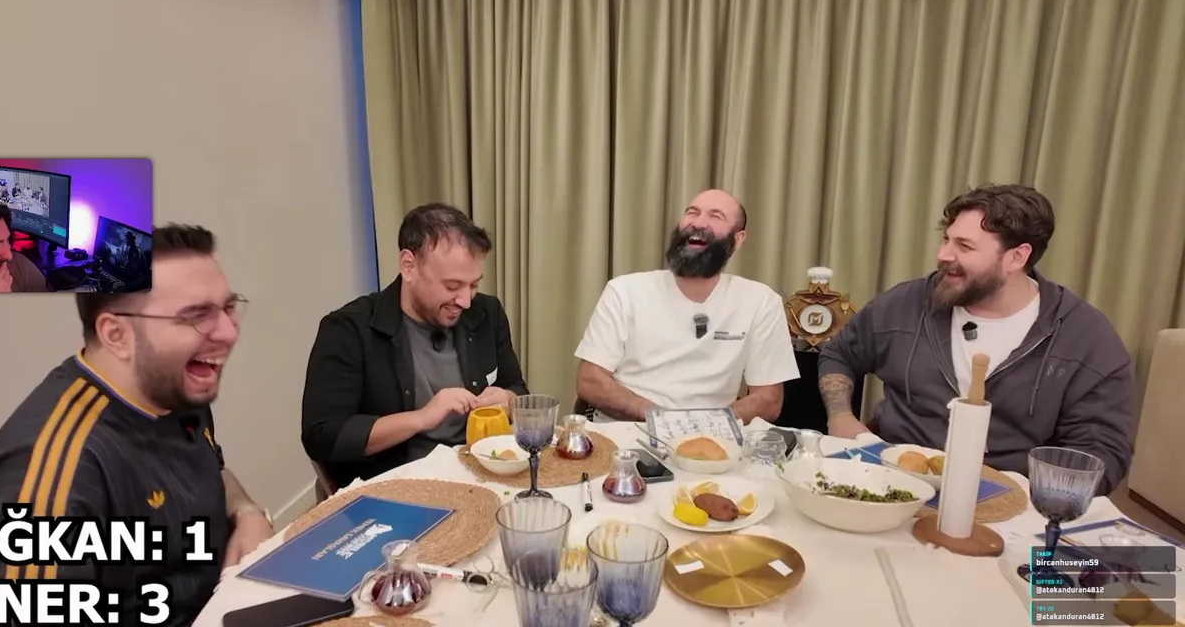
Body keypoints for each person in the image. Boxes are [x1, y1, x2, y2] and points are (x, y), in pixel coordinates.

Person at [0, 225, 272, 627]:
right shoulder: (54, 471)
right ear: (117, 334)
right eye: (196, 316)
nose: (228, 332)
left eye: (228, 307)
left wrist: (245, 511)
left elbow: (209, 465)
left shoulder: (171, 385)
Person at [818, 184, 1135, 495]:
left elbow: (1102, 451)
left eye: (964, 246)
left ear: (1017, 257)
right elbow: (840, 354)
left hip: (1013, 502)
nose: (943, 255)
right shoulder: (905, 304)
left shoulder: (1085, 337)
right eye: (946, 240)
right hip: (891, 485)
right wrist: (841, 416)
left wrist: (1030, 495)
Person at [302, 203, 529, 488]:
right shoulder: (348, 330)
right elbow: (323, 436)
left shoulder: (487, 313)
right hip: (397, 488)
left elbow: (517, 388)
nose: (465, 301)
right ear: (408, 266)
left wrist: (508, 399)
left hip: (483, 476)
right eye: (452, 286)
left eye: (473, 285)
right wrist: (421, 418)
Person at [574, 188, 799, 424]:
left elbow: (769, 399)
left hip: (714, 436)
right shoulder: (624, 291)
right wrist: (662, 418)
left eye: (716, 216)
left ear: (738, 238)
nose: (698, 223)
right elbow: (590, 380)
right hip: (626, 431)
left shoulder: (761, 301)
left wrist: (706, 425)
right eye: (692, 213)